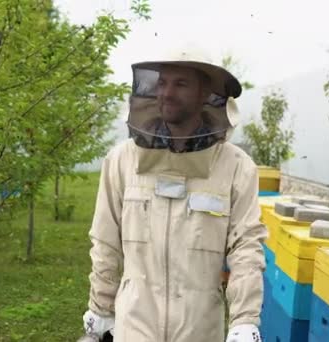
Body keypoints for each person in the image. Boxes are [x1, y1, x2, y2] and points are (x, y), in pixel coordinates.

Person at [77, 49, 267, 342]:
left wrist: (244, 320)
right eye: (162, 83)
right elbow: (105, 242)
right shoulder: (122, 160)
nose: (166, 93)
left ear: (205, 93)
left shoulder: (236, 167)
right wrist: (100, 307)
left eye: (180, 84)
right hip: (134, 327)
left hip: (200, 329)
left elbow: (246, 247)